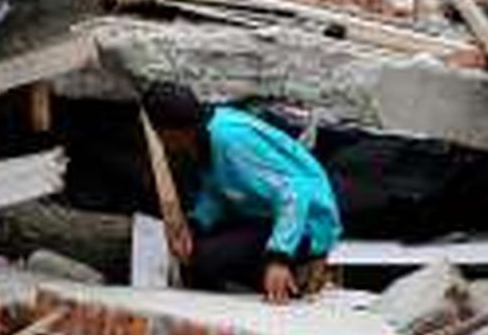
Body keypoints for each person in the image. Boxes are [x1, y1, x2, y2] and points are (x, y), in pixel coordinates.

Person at [141, 82, 343, 304]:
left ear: (170, 132)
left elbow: (293, 192)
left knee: (209, 258)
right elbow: (221, 191)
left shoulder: (230, 139)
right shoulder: (203, 138)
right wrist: (196, 224)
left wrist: (279, 257)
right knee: (196, 252)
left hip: (307, 224)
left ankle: (294, 277)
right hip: (267, 216)